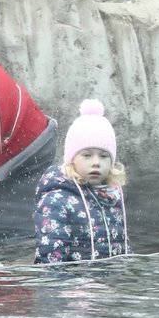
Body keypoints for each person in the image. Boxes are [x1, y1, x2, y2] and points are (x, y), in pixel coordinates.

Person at [33, 98, 131, 263]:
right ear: (72, 159)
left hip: (108, 284)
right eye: (87, 155)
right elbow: (50, 259)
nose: (96, 162)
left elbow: (123, 246)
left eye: (104, 156)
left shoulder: (111, 196)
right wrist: (73, 286)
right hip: (72, 284)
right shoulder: (57, 200)